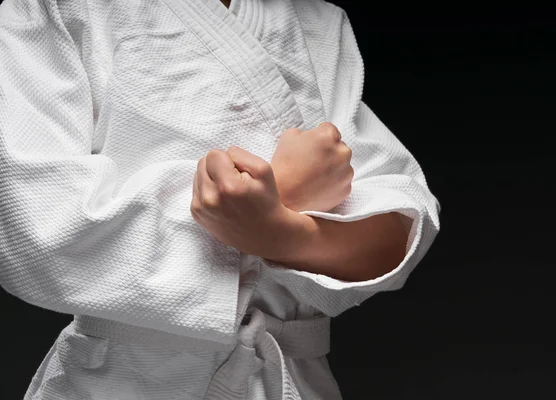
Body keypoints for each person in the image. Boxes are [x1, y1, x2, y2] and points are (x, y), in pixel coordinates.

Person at [0, 0, 441, 398]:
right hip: (125, 382)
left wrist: (280, 232)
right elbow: (36, 222)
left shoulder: (319, 22)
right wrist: (279, 212)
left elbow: (398, 230)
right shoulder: (53, 8)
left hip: (292, 380)